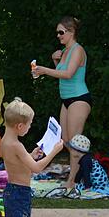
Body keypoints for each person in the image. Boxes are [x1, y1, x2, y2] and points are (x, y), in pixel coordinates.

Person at [0, 98, 64, 217]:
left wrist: (31, 154)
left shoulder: (6, 141)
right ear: (19, 126)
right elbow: (36, 168)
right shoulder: (16, 145)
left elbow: (19, 163)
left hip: (14, 191)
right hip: (19, 193)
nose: (29, 128)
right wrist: (54, 152)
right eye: (29, 124)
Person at [32, 16, 91, 189]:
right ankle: (79, 174)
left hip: (79, 99)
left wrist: (44, 70)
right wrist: (55, 61)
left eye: (61, 32)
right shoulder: (65, 51)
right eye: (57, 32)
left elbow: (68, 74)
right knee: (64, 141)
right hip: (66, 100)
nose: (58, 36)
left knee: (74, 143)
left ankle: (72, 181)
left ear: (71, 32)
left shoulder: (78, 50)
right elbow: (61, 71)